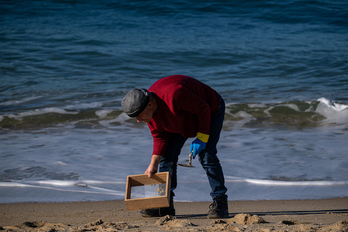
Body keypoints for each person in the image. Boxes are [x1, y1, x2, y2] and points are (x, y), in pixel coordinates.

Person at [121, 75, 228, 218]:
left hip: (210, 109)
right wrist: (153, 164)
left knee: (206, 155)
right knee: (166, 157)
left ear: (150, 105)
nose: (138, 120)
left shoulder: (175, 95)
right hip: (181, 118)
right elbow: (160, 138)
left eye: (138, 115)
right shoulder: (151, 115)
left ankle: (220, 202)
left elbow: (204, 109)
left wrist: (202, 137)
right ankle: (166, 204)